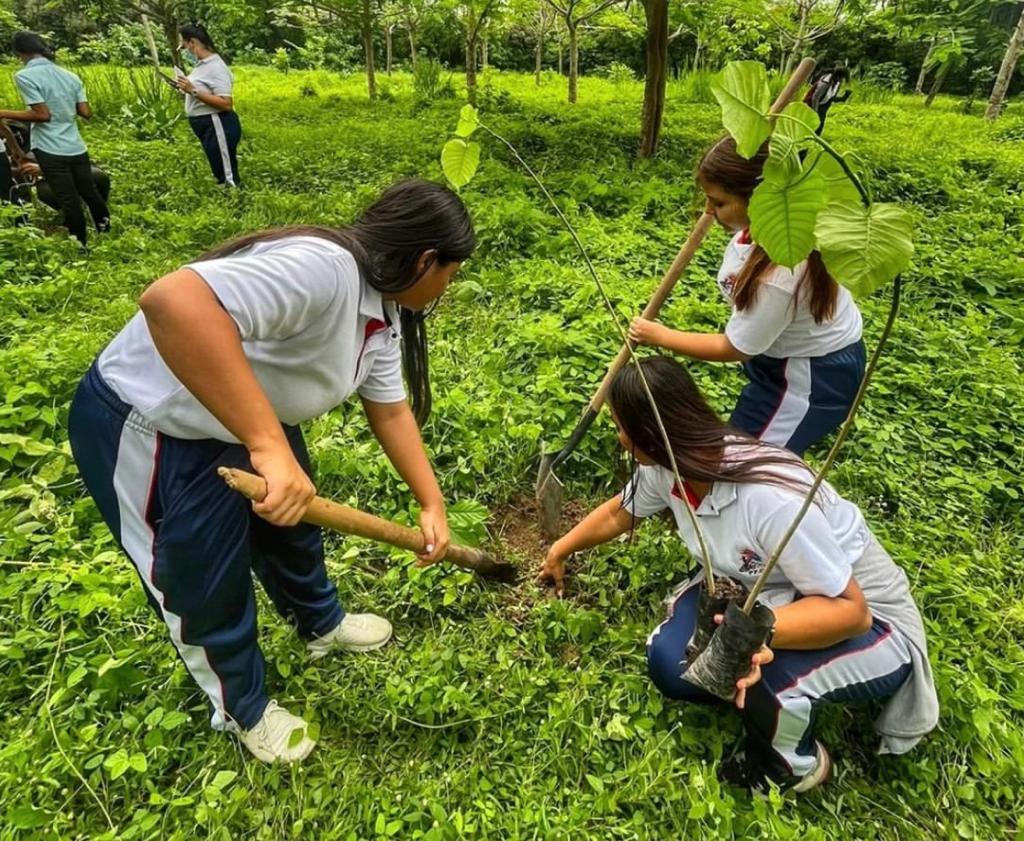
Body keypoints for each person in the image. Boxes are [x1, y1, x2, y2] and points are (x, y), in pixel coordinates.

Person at [68, 179, 474, 764]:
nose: (447, 289)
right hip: (158, 426)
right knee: (201, 578)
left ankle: (321, 625)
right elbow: (172, 301)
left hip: (244, 417)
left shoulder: (382, 309)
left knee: (291, 532)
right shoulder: (324, 270)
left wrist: (431, 504)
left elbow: (389, 409)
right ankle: (243, 709)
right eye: (450, 275)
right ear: (426, 259)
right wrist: (267, 443)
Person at [539, 356, 938, 792]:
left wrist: (754, 636)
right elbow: (619, 512)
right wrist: (560, 550)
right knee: (674, 665)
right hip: (764, 592)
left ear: (650, 435)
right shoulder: (668, 464)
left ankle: (794, 766)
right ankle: (752, 676)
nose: (619, 440)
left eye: (621, 427)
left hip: (870, 619)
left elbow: (851, 611)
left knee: (773, 683)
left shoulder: (767, 499)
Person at [628, 137, 865, 456]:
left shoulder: (781, 274)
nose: (709, 211)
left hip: (810, 378)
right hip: (782, 359)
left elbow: (735, 347)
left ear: (758, 200)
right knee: (745, 453)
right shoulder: (772, 225)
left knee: (747, 463)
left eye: (720, 202)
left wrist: (660, 335)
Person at [0, 31, 110, 245]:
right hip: (75, 145)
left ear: (19, 53)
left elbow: (42, 115)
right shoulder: (70, 76)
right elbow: (86, 113)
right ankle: (105, 232)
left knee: (69, 200)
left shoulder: (25, 76)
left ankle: (81, 245)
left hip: (50, 147)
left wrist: (3, 112)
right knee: (90, 192)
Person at [176, 23, 241, 187]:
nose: (186, 51)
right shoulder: (202, 65)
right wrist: (186, 89)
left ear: (193, 43)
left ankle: (235, 200)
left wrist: (193, 91)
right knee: (218, 165)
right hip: (206, 125)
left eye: (185, 46)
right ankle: (226, 198)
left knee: (227, 174)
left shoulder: (216, 67)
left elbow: (226, 103)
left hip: (217, 122)